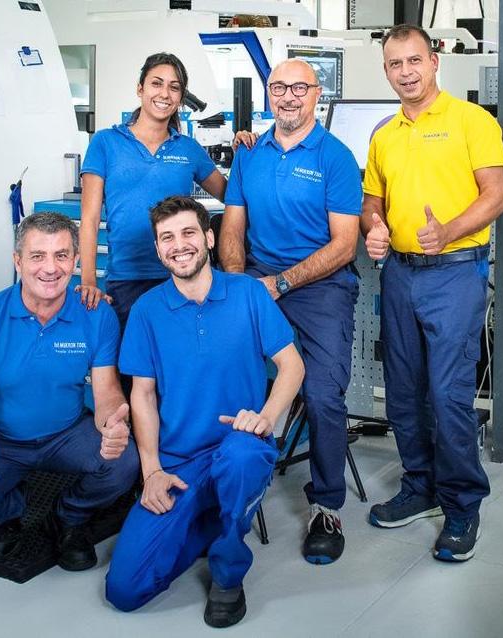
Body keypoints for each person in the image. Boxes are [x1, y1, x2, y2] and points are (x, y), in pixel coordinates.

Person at [105, 196, 304, 628]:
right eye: (167, 238)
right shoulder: (146, 311)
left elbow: (292, 365)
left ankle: (228, 572)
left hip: (239, 446)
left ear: (209, 238)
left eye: (188, 233)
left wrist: (266, 418)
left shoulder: (248, 293)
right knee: (124, 589)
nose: (179, 245)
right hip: (180, 463)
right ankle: (211, 519)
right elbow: (142, 396)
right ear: (158, 249)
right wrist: (152, 471)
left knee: (242, 456)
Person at [361, 24, 503, 562]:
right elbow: (372, 202)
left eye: (414, 60)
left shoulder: (473, 121)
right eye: (395, 64)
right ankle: (420, 487)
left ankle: (462, 504)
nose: (406, 72)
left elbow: (496, 195)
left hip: (455, 273)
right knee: (403, 392)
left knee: (448, 396)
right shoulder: (384, 133)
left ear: (434, 61)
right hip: (399, 274)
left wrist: (448, 230)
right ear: (386, 71)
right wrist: (374, 228)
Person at [0, 212, 139, 570]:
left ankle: (67, 516)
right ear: (18, 261)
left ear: (75, 260)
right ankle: (9, 508)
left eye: (61, 255)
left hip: (66, 434)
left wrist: (113, 425)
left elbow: (107, 393)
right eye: (37, 256)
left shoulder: (97, 315)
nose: (50, 268)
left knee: (124, 463)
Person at [219, 58, 362, 565]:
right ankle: (225, 487)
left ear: (317, 94)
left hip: (321, 287)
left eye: (299, 88)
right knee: (224, 375)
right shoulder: (249, 153)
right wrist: (238, 284)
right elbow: (232, 228)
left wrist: (281, 284)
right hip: (257, 280)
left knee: (322, 393)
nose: (288, 97)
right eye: (278, 87)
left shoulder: (335, 156)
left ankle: (326, 506)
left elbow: (344, 245)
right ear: (268, 93)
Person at [79, 52, 227, 331]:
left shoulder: (188, 148)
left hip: (182, 278)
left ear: (180, 97)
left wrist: (248, 153)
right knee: (131, 357)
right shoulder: (105, 143)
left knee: (179, 357)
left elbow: (232, 196)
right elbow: (89, 219)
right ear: (140, 89)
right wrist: (89, 280)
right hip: (126, 280)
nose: (164, 94)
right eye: (156, 83)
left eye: (174, 87)